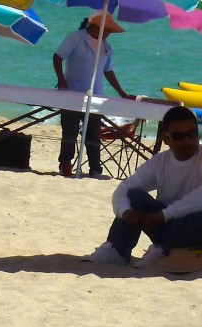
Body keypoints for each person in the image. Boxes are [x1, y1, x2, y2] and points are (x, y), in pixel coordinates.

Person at [84, 106, 202, 267]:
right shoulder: (160, 162)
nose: (187, 141)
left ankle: (164, 248)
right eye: (179, 136)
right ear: (166, 139)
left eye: (192, 134)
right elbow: (123, 190)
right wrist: (126, 212)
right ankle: (118, 250)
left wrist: (164, 215)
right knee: (133, 196)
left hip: (192, 225)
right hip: (167, 223)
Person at [53, 11, 131, 177]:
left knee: (93, 134)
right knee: (70, 132)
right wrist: (61, 79)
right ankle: (65, 165)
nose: (108, 34)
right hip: (72, 92)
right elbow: (58, 57)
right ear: (97, 27)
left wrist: (121, 92)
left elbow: (108, 71)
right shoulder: (76, 38)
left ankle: (95, 169)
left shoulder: (106, 47)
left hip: (95, 95)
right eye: (107, 30)